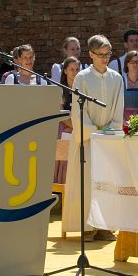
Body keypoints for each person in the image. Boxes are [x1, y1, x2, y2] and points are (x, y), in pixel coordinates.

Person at [64, 34, 124, 242]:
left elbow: (118, 108)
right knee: (87, 183)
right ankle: (87, 227)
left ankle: (105, 226)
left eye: (108, 54)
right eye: (101, 55)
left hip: (108, 139)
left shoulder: (116, 78)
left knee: (108, 183)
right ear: (91, 54)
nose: (105, 58)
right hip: (87, 139)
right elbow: (77, 111)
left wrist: (111, 129)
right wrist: (93, 131)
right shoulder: (82, 78)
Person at [53, 56, 80, 188]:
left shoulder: (82, 90)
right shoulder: (60, 90)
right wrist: (74, 127)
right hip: (64, 130)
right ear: (65, 71)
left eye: (77, 69)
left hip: (78, 130)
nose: (75, 72)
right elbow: (60, 114)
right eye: (71, 69)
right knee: (64, 161)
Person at [121, 50, 138, 121]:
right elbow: (116, 104)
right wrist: (123, 121)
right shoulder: (121, 81)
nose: (135, 64)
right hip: (123, 121)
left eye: (137, 62)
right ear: (127, 64)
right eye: (132, 62)